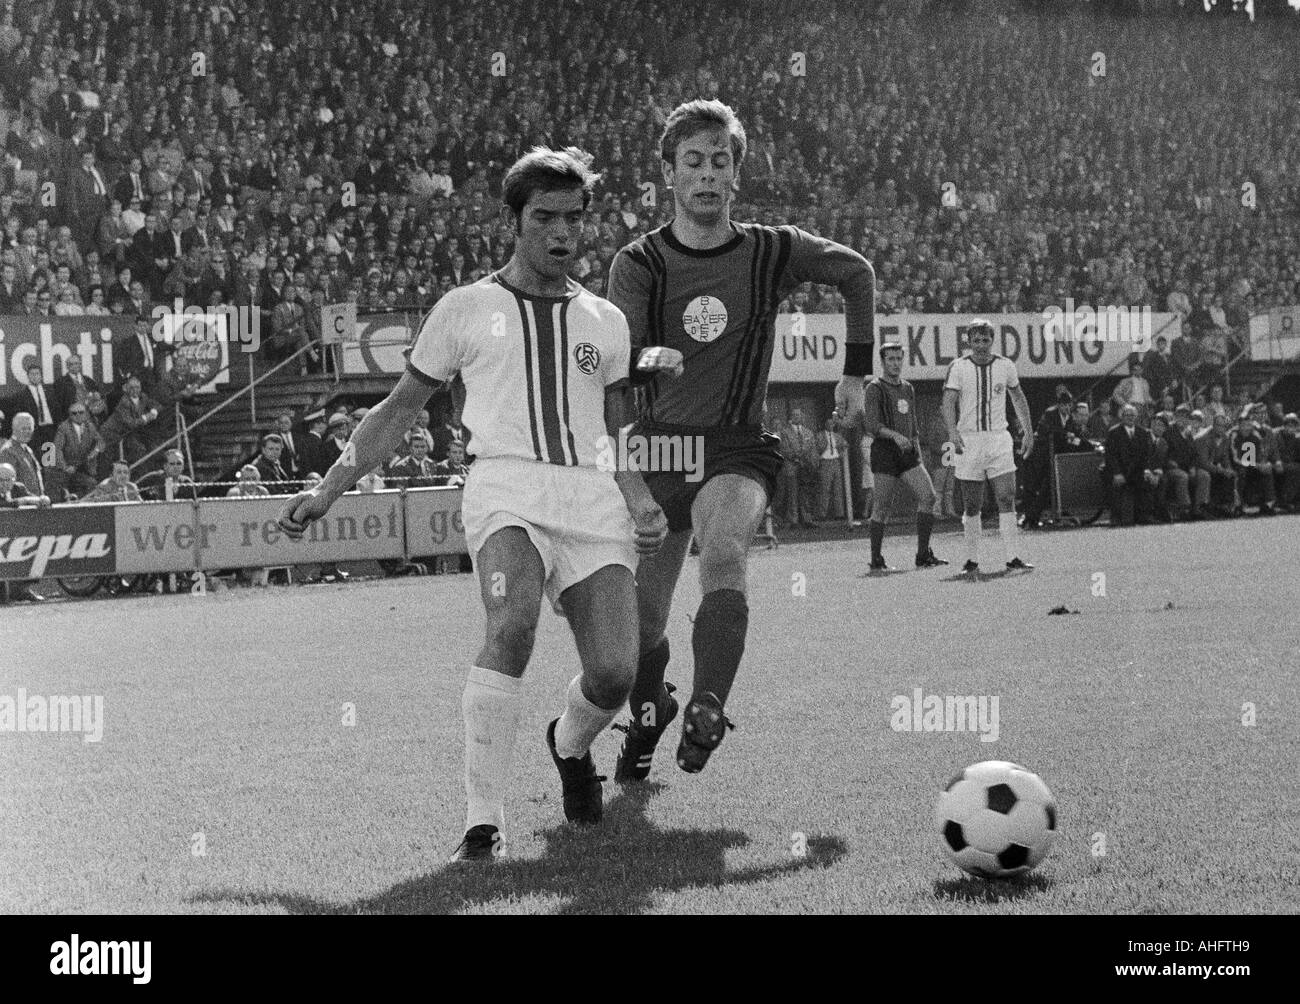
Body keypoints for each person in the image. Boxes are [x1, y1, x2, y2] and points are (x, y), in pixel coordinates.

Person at [277, 147, 669, 862]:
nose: (561, 232)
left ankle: (569, 742)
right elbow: (400, 409)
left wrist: (637, 495)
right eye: (544, 217)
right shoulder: (465, 308)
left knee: (615, 671)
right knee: (512, 622)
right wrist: (328, 487)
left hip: (589, 496)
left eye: (573, 219)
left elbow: (615, 428)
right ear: (514, 221)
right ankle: (482, 821)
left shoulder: (606, 321)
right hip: (504, 488)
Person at [605, 99, 875, 781]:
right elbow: (621, 365)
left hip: (735, 446)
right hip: (657, 447)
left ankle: (708, 704)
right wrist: (649, 366)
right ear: (669, 173)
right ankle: (649, 714)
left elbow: (857, 274)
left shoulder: (773, 249)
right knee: (638, 628)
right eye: (692, 162)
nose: (706, 174)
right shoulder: (638, 263)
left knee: (724, 553)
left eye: (719, 162)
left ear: (736, 174)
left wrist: (854, 374)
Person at [941, 319, 1034, 574]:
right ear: (969, 342)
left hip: (998, 438)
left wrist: (1027, 431)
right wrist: (952, 433)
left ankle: (1013, 557)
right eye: (976, 340)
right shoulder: (958, 367)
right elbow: (947, 402)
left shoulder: (1005, 365)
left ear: (992, 341)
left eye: (986, 340)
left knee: (1006, 496)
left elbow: (1017, 396)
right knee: (972, 504)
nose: (981, 345)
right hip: (969, 439)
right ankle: (971, 561)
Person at [861, 342, 946, 569]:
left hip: (907, 452)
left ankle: (922, 555)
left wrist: (916, 448)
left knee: (928, 496)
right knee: (882, 507)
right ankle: (876, 560)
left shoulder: (908, 388)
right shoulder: (874, 388)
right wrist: (895, 436)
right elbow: (871, 425)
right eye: (891, 359)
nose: (896, 363)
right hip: (885, 452)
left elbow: (913, 423)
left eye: (899, 359)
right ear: (882, 362)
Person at [1104, 404, 1158, 526]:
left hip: (1138, 471)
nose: (1130, 417)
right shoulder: (1114, 433)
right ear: (1122, 417)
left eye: (1132, 415)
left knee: (1148, 482)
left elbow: (1146, 455)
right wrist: (1117, 473)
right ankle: (1118, 518)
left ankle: (1144, 516)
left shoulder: (1142, 432)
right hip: (1120, 472)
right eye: (1127, 415)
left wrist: (1147, 471)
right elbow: (1110, 456)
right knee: (1118, 485)